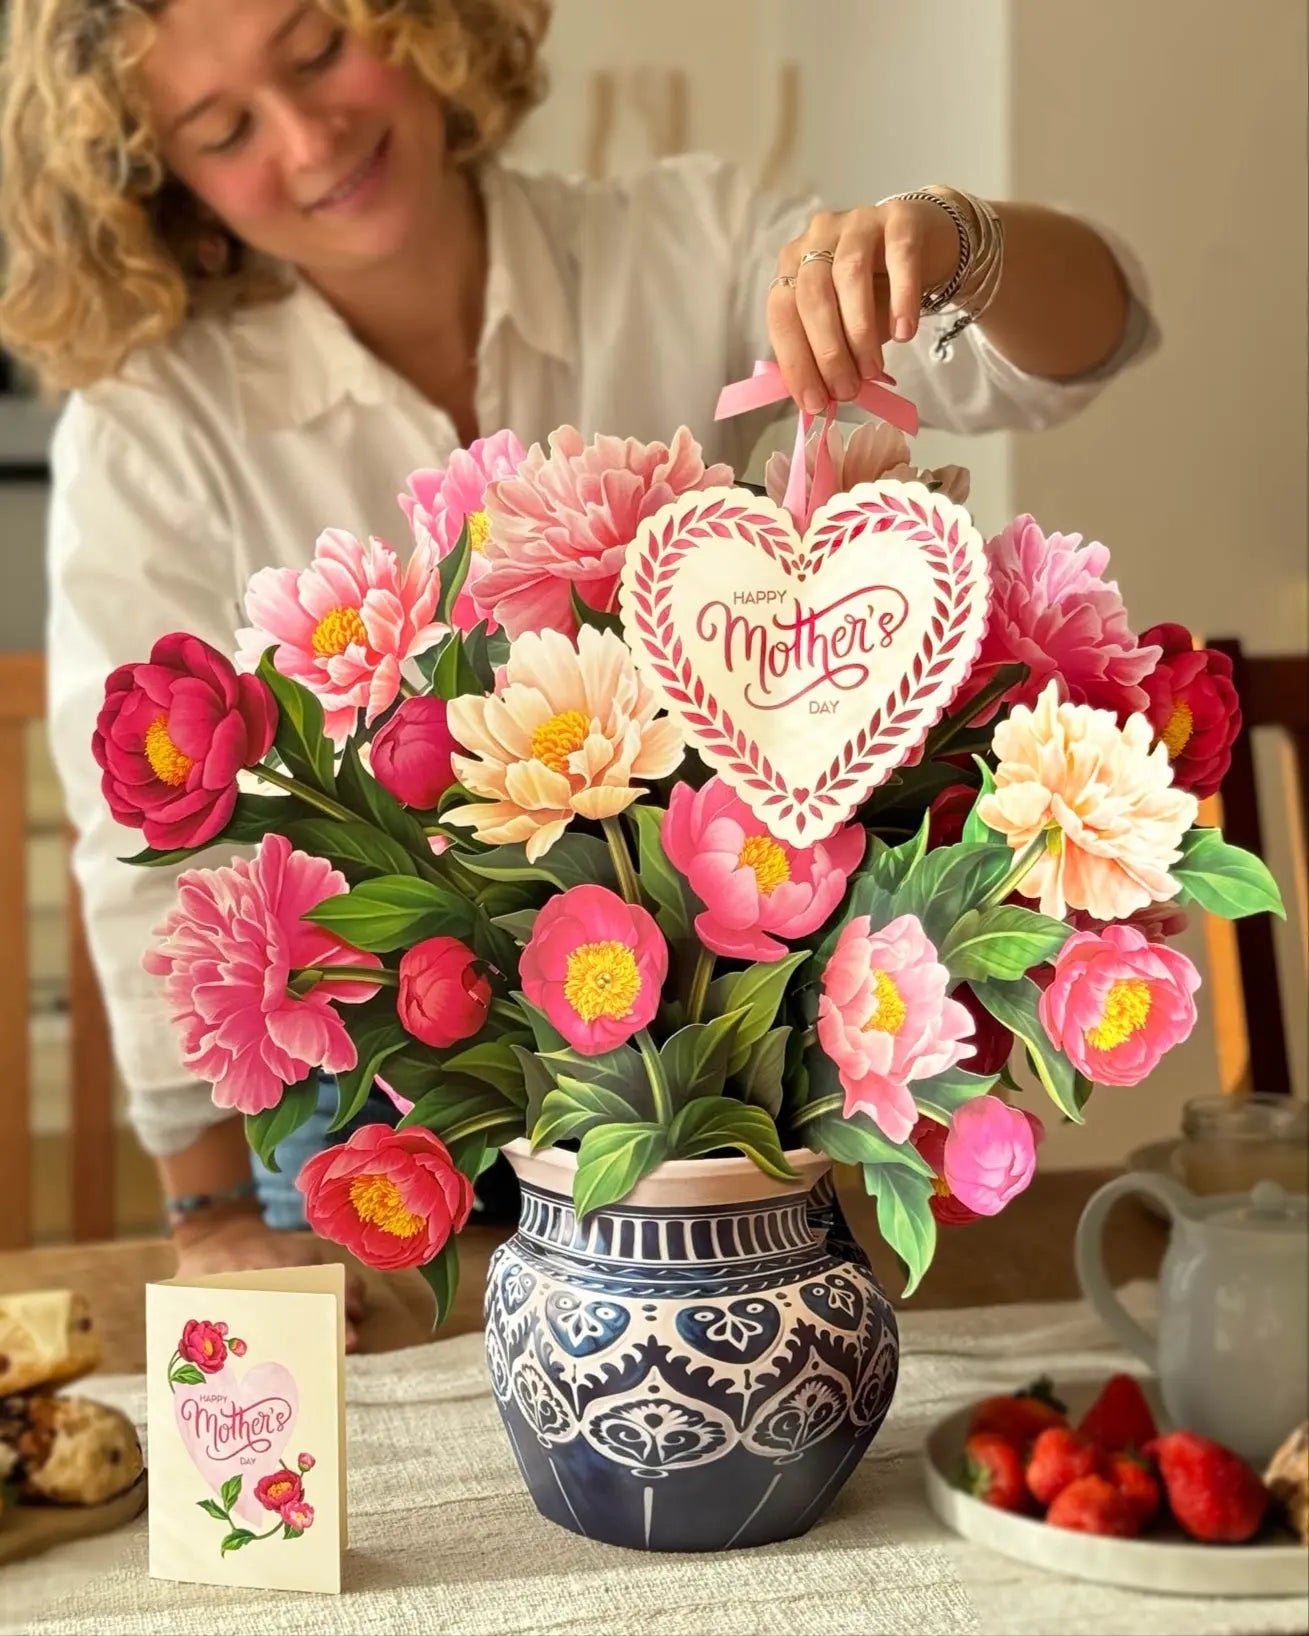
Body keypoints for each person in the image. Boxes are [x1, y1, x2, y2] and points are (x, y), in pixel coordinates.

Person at [0, 0, 1153, 1323]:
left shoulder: (690, 242)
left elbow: (1079, 353)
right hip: (374, 1129)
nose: (310, 136)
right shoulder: (154, 419)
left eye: (318, 49)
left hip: (727, 1094)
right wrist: (206, 1212)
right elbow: (143, 838)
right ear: (162, 182)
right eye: (222, 127)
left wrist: (957, 245)